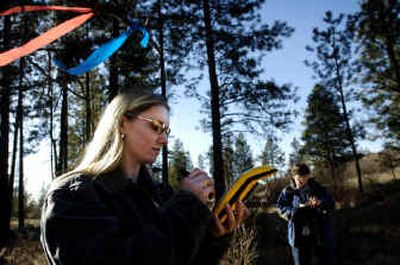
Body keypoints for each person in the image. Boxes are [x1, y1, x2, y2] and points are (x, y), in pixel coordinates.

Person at [41, 91, 249, 265]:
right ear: (123, 123)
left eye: (167, 130)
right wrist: (187, 205)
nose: (164, 139)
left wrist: (213, 236)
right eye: (156, 126)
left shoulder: (162, 195)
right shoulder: (73, 194)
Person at [276, 163, 334, 265]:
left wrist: (320, 202)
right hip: (297, 236)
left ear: (308, 176)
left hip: (318, 234)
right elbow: (280, 207)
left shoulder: (317, 188)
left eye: (304, 178)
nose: (300, 181)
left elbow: (330, 203)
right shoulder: (288, 191)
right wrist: (293, 212)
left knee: (325, 260)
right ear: (293, 177)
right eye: (298, 178)